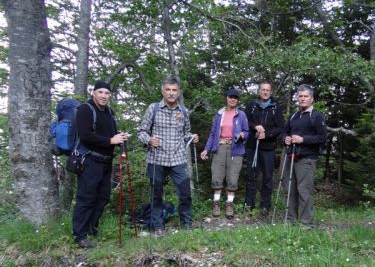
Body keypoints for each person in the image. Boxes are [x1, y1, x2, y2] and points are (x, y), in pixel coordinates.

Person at [137, 77, 199, 235]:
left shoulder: (183, 111)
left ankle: (187, 225)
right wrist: (149, 140)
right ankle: (158, 227)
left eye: (174, 90)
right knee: (156, 194)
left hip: (178, 158)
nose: (171, 93)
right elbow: (141, 132)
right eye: (168, 90)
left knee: (185, 193)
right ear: (162, 90)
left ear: (178, 92)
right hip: (156, 158)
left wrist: (192, 137)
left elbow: (185, 133)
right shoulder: (154, 108)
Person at [72, 80, 129, 248]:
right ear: (93, 93)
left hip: (105, 162)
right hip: (89, 160)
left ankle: (91, 229)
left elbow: (110, 136)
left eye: (107, 93)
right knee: (86, 197)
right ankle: (79, 236)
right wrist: (111, 140)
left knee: (103, 197)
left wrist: (119, 137)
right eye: (100, 92)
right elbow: (85, 136)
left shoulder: (109, 112)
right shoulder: (85, 109)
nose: (104, 96)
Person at [200, 88, 249, 219]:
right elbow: (213, 134)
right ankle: (216, 204)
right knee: (217, 176)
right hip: (219, 148)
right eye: (230, 97)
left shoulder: (242, 115)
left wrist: (243, 135)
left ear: (237, 100)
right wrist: (206, 149)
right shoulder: (219, 114)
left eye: (235, 97)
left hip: (236, 149)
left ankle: (229, 205)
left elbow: (247, 132)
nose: (233, 99)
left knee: (232, 178)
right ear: (226, 98)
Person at [282, 84, 327, 226]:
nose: (302, 99)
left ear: (311, 99)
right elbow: (284, 133)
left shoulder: (316, 116)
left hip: (307, 159)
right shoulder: (293, 116)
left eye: (305, 96)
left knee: (304, 191)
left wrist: (303, 140)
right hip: (291, 157)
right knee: (289, 190)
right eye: (300, 96)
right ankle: (290, 221)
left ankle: (307, 223)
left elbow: (322, 138)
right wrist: (286, 139)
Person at [243, 81, 285, 218]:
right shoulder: (251, 105)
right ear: (259, 91)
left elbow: (280, 127)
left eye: (268, 90)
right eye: (263, 89)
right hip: (252, 146)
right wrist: (255, 127)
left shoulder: (276, 107)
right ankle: (248, 205)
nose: (265, 92)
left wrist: (267, 134)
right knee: (251, 176)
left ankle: (265, 206)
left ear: (271, 92)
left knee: (267, 177)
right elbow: (245, 122)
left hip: (268, 148)